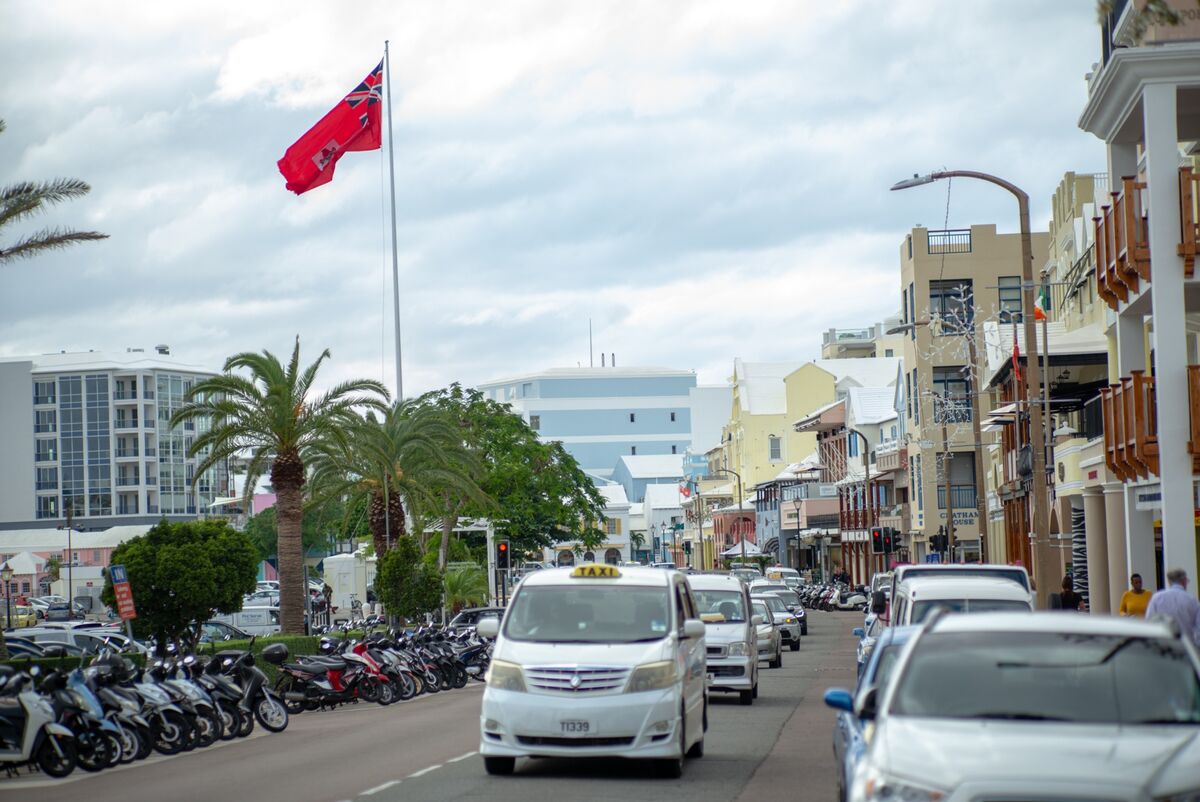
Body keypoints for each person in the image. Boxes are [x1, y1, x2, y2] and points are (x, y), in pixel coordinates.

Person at [1145, 568, 1200, 648]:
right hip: (1187, 647)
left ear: (1169, 582)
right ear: (1184, 581)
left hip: (1162, 645)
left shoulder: (1157, 598)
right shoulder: (1192, 600)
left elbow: (1149, 621)